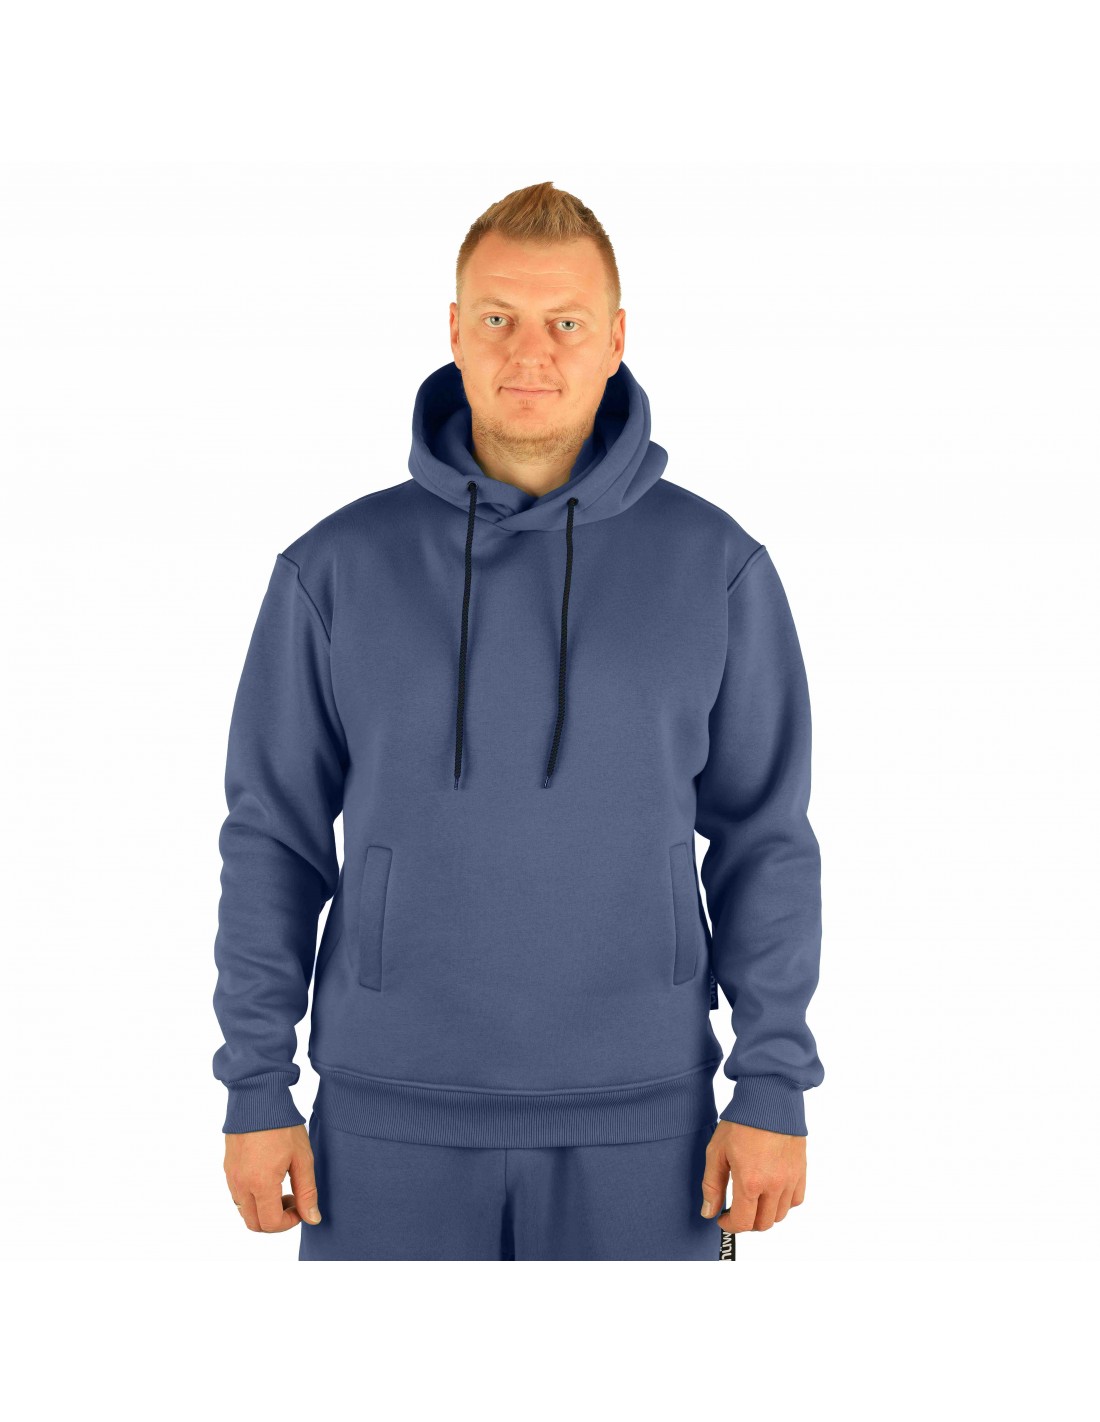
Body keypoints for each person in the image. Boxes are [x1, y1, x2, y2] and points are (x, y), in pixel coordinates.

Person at [212, 181, 824, 1261]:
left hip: (647, 1126)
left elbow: (765, 841)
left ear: (616, 340)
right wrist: (256, 1085)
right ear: (454, 331)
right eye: (497, 317)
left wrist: (771, 1081)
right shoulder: (333, 570)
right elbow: (272, 840)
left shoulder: (716, 568)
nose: (528, 352)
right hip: (384, 1122)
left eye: (565, 322)